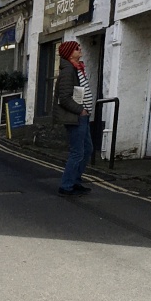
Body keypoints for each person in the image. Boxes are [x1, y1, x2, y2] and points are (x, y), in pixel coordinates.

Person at [54, 40, 93, 196]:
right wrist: (81, 110)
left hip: (83, 116)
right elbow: (64, 98)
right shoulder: (68, 71)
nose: (80, 49)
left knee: (87, 149)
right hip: (75, 117)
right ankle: (66, 186)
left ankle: (75, 181)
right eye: (77, 48)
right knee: (77, 152)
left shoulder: (77, 68)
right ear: (70, 53)